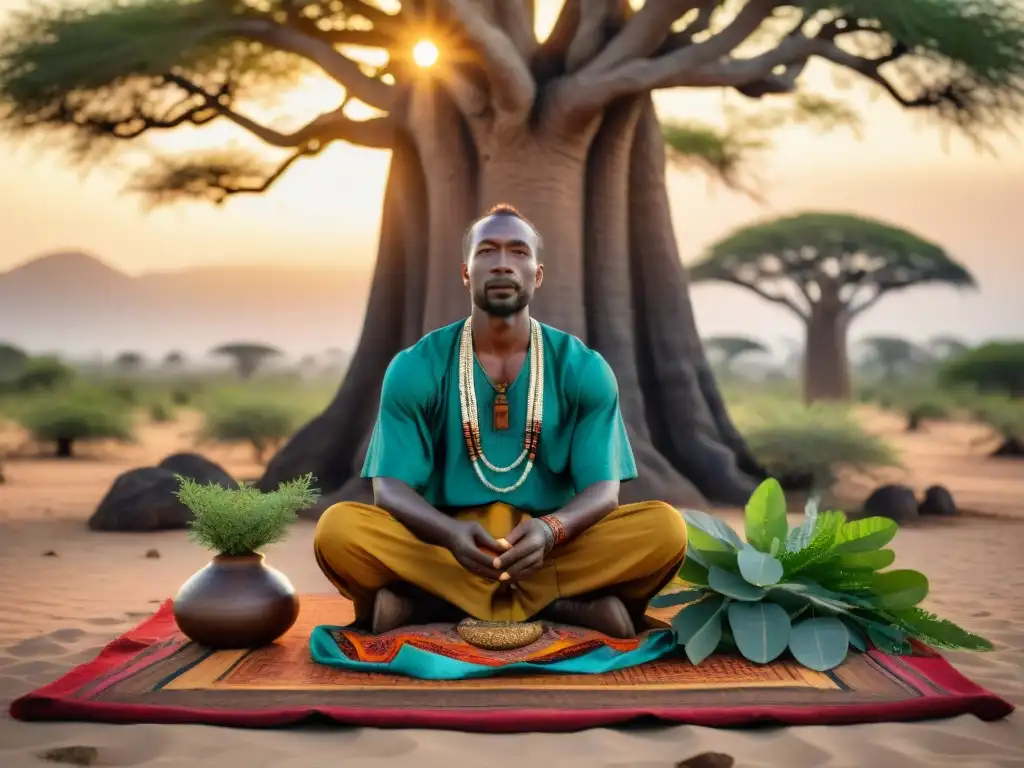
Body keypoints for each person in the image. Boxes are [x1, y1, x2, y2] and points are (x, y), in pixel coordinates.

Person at [313, 204, 688, 639]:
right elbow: (390, 488)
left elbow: (603, 491)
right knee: (339, 530)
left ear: (538, 274)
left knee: (664, 529)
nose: (504, 263)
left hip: (552, 548)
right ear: (467, 272)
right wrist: (451, 534)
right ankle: (562, 605)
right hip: (446, 546)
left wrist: (551, 530)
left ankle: (431, 604)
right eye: (488, 251)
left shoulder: (583, 368)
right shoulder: (417, 365)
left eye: (518, 252)